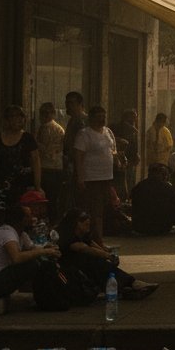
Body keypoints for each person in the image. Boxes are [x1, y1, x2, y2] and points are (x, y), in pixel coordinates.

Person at [56, 207, 158, 299]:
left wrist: (106, 254)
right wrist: (107, 255)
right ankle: (131, 283)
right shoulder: (66, 236)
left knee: (98, 261)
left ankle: (126, 287)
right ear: (76, 223)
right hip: (67, 268)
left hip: (80, 265)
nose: (88, 222)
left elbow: (92, 244)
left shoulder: (82, 234)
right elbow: (85, 248)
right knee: (94, 261)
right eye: (84, 221)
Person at [0, 202, 60, 299]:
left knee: (39, 261)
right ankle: (42, 296)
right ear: (21, 220)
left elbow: (33, 248)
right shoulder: (8, 233)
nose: (33, 219)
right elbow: (16, 258)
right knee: (32, 264)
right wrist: (43, 252)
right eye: (29, 216)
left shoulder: (21, 234)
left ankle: (45, 294)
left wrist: (47, 248)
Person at [73, 105, 122, 247]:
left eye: (103, 116)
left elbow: (112, 150)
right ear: (91, 118)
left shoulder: (108, 132)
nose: (102, 119)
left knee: (104, 209)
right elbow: (78, 157)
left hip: (107, 177)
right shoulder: (84, 134)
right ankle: (96, 240)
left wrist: (117, 158)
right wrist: (80, 177)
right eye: (98, 116)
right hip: (91, 178)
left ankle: (97, 238)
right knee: (95, 211)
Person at [130, 162, 175, 235]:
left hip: (139, 227)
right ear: (163, 175)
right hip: (159, 228)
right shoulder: (167, 188)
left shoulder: (137, 187)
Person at [35, 102, 65, 213]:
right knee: (53, 197)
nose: (42, 116)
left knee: (47, 197)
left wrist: (36, 144)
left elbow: (46, 150)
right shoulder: (58, 128)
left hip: (47, 167)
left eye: (45, 113)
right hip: (56, 167)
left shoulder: (47, 128)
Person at [111, 109, 140, 200]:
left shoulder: (133, 129)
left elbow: (134, 144)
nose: (134, 120)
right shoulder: (118, 127)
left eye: (135, 117)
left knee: (129, 180)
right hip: (120, 159)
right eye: (133, 117)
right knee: (123, 181)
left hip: (130, 159)